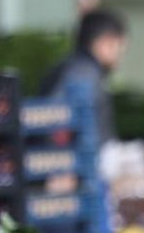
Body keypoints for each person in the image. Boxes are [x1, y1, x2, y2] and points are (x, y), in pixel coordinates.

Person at [40, 9, 128, 146]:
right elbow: (54, 124)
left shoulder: (74, 66)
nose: (121, 56)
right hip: (81, 162)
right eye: (120, 47)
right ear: (106, 41)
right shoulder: (84, 73)